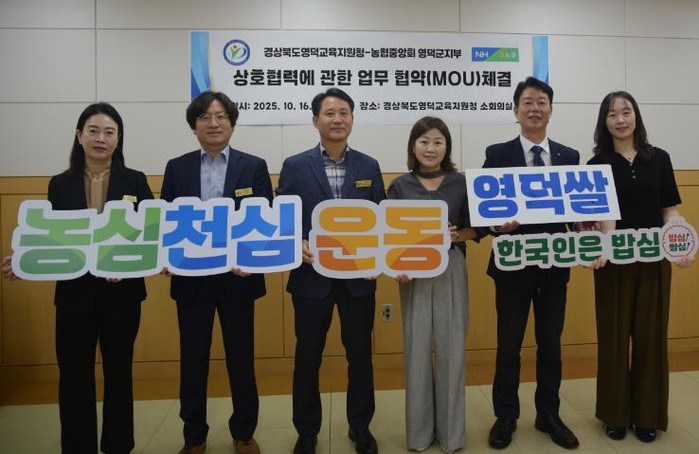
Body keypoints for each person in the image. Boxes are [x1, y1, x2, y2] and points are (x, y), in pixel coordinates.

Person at [2, 102, 153, 453]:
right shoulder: (60, 184)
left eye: (109, 132)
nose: (101, 138)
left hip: (122, 296)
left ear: (118, 139)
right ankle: (77, 446)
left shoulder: (135, 181)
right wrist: (25, 259)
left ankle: (118, 445)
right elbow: (53, 238)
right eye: (93, 131)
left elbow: (150, 235)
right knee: (73, 376)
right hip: (74, 295)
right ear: (79, 135)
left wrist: (126, 266)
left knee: (119, 374)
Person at [160, 91, 273, 454]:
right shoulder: (177, 167)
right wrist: (166, 256)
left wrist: (251, 259)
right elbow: (165, 221)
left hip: (238, 279)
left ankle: (244, 432)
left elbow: (265, 221)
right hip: (191, 281)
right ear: (194, 126)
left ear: (232, 123)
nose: (214, 123)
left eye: (221, 116)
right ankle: (194, 435)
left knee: (241, 359)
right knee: (193, 360)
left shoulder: (253, 166)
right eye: (205, 117)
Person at [276, 87, 385, 454]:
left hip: (358, 280)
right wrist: (296, 242)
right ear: (315, 120)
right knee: (308, 357)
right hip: (311, 280)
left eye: (344, 113)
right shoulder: (295, 165)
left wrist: (377, 258)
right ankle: (307, 431)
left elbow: (382, 218)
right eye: (329, 113)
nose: (337, 119)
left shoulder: (368, 166)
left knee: (360, 357)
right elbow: (283, 216)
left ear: (352, 119)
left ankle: (361, 427)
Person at [585, 91, 694, 443]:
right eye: (612, 114)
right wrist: (595, 246)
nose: (620, 119)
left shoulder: (659, 158)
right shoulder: (595, 165)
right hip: (612, 263)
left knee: (651, 338)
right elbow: (593, 220)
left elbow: (669, 211)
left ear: (636, 116)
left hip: (654, 261)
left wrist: (682, 243)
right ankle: (615, 415)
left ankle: (648, 415)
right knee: (613, 339)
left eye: (626, 111)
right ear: (604, 122)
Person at [483, 77, 580, 450]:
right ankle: (505, 416)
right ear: (516, 111)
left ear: (551, 110)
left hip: (554, 266)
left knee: (550, 345)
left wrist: (591, 235)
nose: (535, 108)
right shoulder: (497, 154)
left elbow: (578, 213)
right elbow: (482, 210)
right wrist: (497, 225)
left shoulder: (570, 156)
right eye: (527, 102)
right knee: (508, 346)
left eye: (541, 102)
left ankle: (548, 415)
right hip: (513, 266)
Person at [386, 116, 477, 453]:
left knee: (452, 350)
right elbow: (387, 234)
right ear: (413, 146)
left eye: (438, 141)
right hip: (412, 272)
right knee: (417, 350)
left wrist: (456, 235)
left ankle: (452, 435)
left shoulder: (460, 183)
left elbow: (477, 229)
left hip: (451, 266)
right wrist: (397, 264)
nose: (431, 148)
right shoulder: (399, 186)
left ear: (446, 147)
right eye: (424, 141)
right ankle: (420, 434)